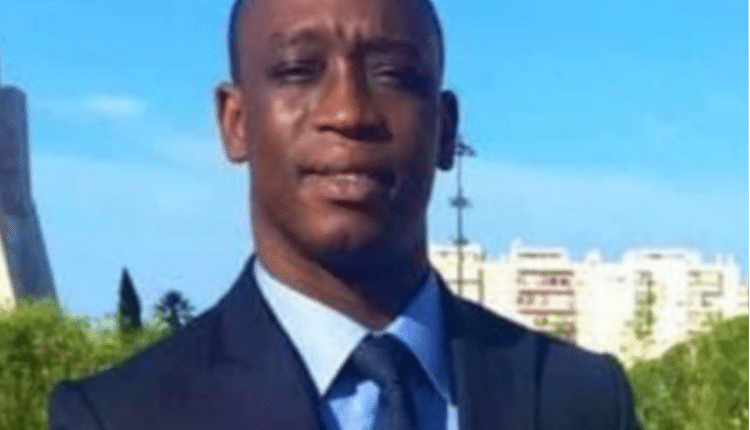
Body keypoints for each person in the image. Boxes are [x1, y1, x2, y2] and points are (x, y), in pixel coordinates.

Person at [48, 0, 642, 428]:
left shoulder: (581, 400)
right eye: (298, 71)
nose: (349, 111)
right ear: (235, 122)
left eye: (393, 75)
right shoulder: (120, 415)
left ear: (445, 129)